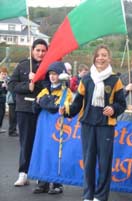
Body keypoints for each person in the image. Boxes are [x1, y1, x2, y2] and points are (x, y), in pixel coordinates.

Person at [59, 45, 126, 201]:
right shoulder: (86, 79)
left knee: (104, 163)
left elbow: (121, 104)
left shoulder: (115, 80)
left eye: (104, 55)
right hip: (88, 124)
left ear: (109, 58)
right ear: (94, 58)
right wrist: (67, 111)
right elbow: (77, 103)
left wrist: (113, 109)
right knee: (88, 162)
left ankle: (101, 196)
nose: (101, 58)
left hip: (106, 126)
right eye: (98, 55)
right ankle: (88, 195)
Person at [8, 38, 48, 186]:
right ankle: (23, 173)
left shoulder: (50, 67)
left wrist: (37, 79)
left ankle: (40, 175)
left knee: (42, 142)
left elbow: (52, 86)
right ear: (32, 50)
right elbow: (12, 85)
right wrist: (27, 85)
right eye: (38, 50)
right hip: (24, 109)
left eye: (43, 51)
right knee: (26, 142)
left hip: (43, 110)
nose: (40, 53)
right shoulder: (23, 65)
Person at [32, 61, 73, 194]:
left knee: (56, 153)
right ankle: (42, 182)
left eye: (55, 74)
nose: (52, 77)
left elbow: (55, 108)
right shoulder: (44, 90)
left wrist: (44, 101)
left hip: (58, 126)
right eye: (50, 74)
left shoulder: (67, 92)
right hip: (43, 126)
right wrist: (45, 102)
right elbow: (35, 107)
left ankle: (57, 184)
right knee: (43, 151)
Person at [0, 67, 8, 133]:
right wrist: (1, 87)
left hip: (3, 100)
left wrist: (6, 88)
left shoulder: (4, 82)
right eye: (2, 74)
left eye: (5, 74)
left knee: (2, 114)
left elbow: (5, 92)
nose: (4, 76)